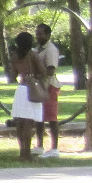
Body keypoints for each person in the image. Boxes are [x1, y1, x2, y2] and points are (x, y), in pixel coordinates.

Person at [8, 31, 49, 161]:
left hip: (20, 90)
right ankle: (27, 154)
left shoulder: (15, 56)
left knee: (20, 123)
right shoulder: (33, 55)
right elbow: (43, 72)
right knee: (28, 123)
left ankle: (22, 152)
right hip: (32, 89)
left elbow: (12, 76)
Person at [35, 22, 63, 157]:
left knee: (51, 117)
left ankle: (54, 149)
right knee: (39, 117)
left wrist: (36, 74)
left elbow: (50, 70)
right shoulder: (38, 49)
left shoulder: (51, 50)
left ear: (48, 34)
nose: (38, 37)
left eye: (40, 34)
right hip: (40, 87)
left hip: (49, 86)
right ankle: (39, 145)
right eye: (37, 34)